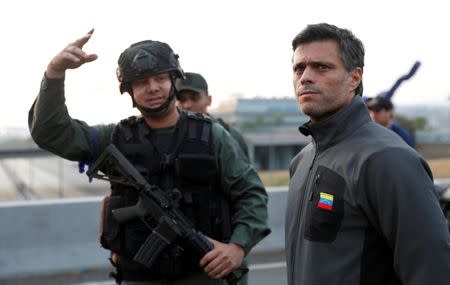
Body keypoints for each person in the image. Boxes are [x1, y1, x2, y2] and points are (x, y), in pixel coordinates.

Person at [28, 29, 270, 285]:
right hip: (139, 276)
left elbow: (251, 194)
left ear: (173, 81)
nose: (153, 87)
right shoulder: (116, 137)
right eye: (142, 82)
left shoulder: (213, 135)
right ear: (129, 90)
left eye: (160, 78)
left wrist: (237, 247)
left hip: (203, 276)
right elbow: (50, 132)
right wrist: (55, 73)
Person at [286, 23, 450, 285]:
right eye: (299, 68)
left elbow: (432, 271)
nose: (305, 77)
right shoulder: (301, 161)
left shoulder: (388, 159)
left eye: (321, 67)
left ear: (354, 78)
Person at [175, 72, 249, 157]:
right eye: (181, 99)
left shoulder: (229, 135)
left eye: (194, 98)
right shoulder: (168, 134)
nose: (187, 105)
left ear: (209, 100)